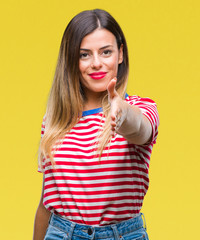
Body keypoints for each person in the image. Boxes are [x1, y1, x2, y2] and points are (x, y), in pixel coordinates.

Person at [33, 9, 159, 240]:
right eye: (84, 55)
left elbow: (141, 129)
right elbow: (47, 202)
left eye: (106, 52)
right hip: (61, 233)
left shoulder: (141, 108)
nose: (96, 63)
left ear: (120, 54)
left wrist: (122, 115)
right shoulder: (54, 122)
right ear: (72, 60)